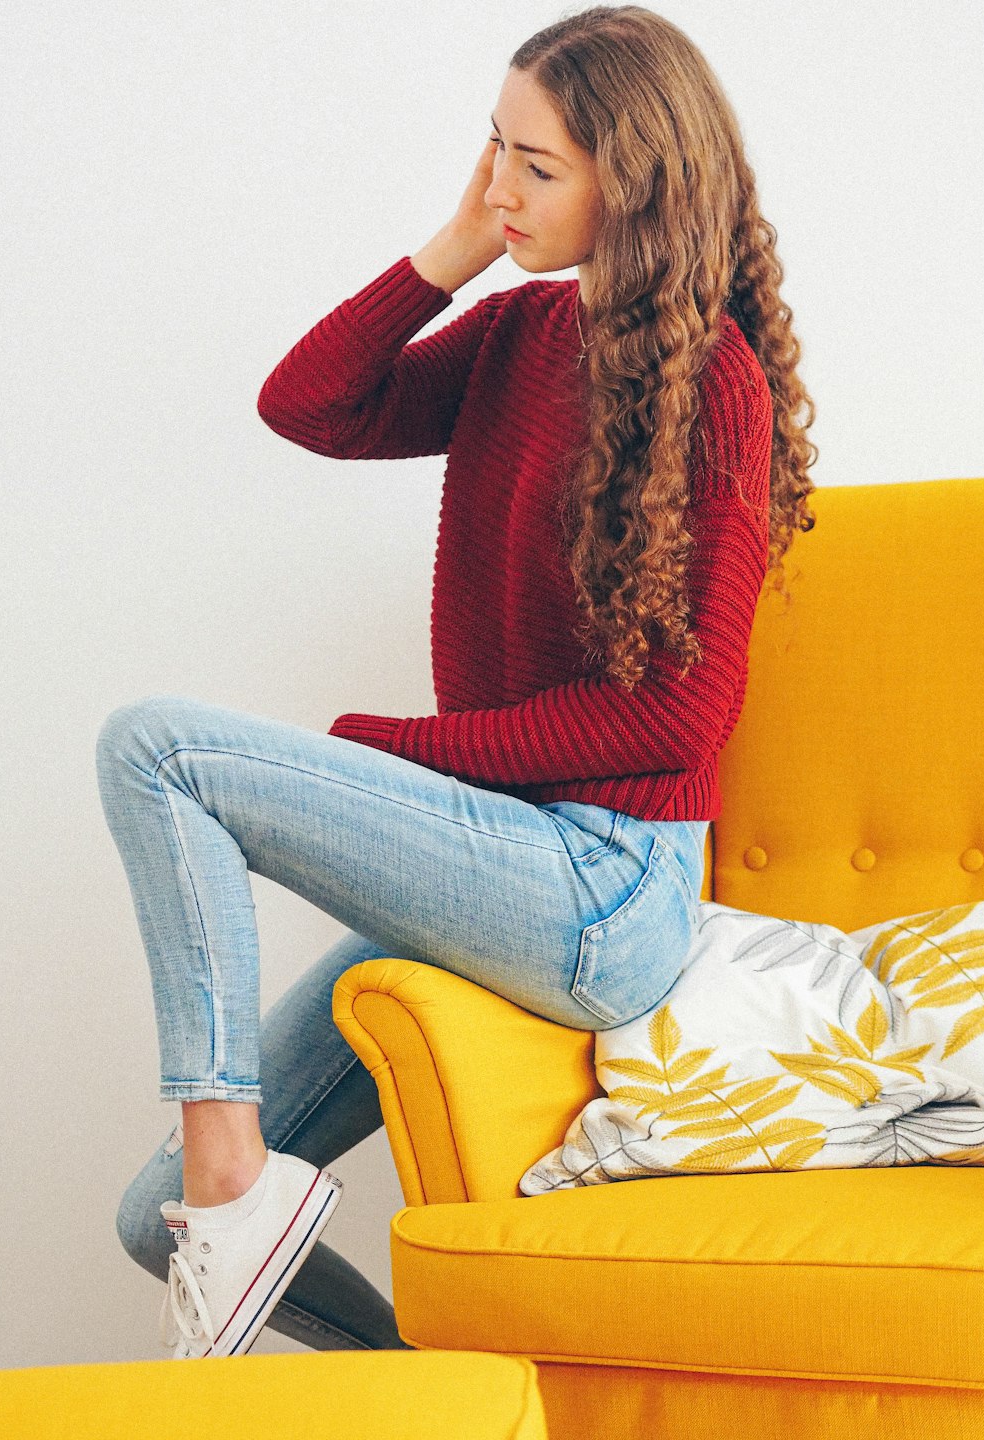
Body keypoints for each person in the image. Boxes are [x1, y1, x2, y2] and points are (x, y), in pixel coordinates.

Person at [95, 3, 817, 1360]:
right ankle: (422, 1387)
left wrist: (399, 748)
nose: (502, 185)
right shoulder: (518, 340)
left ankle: (234, 1185)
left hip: (612, 891)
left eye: (537, 168)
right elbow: (308, 404)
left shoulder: (711, 384)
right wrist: (461, 250)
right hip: (509, 863)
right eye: (496, 149)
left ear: (636, 185)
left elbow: (675, 721)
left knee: (159, 748)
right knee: (153, 1223)